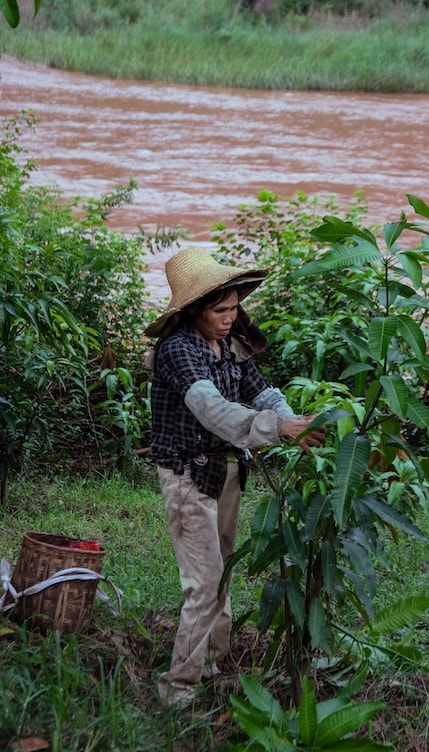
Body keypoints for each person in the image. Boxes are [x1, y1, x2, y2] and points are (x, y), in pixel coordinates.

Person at [145, 246, 326, 709]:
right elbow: (213, 412)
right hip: (188, 475)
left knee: (222, 571)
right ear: (194, 310)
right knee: (204, 583)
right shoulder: (177, 350)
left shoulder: (228, 344)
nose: (229, 318)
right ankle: (178, 690)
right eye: (220, 310)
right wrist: (278, 429)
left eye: (234, 309)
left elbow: (261, 392)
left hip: (225, 471)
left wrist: (289, 420)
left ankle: (212, 663)